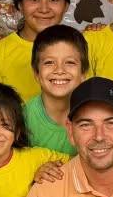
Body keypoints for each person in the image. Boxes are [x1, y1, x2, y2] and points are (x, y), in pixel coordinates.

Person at [24, 24, 87, 154]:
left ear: (83, 73)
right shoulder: (22, 119)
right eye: (49, 62)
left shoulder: (94, 116)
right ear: (36, 73)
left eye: (69, 62)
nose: (59, 70)